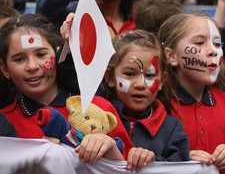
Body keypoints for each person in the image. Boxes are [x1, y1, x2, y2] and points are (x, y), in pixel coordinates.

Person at [0, 13, 123, 163]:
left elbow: (132, 167)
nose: (32, 66)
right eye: (19, 59)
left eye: (41, 54)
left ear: (58, 54)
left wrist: (111, 149)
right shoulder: (4, 123)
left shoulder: (98, 106)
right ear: (5, 69)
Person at [99, 30, 190, 165]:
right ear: (110, 77)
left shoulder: (171, 128)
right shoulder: (98, 117)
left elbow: (180, 167)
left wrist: (153, 161)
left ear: (162, 81)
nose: (141, 84)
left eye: (149, 75)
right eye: (130, 74)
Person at [158, 13, 225, 173]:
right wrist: (178, 160)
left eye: (217, 44)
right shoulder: (156, 107)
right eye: (200, 42)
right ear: (172, 56)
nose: (213, 51)